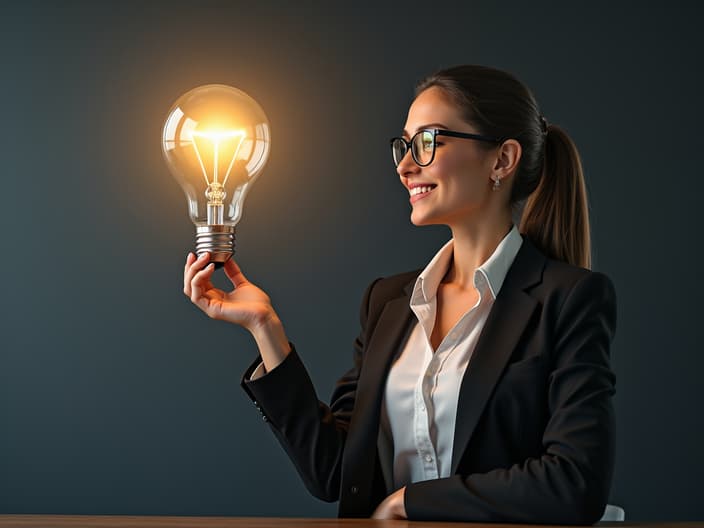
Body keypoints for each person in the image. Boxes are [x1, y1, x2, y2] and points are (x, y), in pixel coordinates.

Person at [182, 64, 617, 524]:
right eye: (405, 146)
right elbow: (335, 473)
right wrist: (265, 329)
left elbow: (575, 482)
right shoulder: (388, 302)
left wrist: (411, 502)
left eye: (429, 142)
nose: (407, 166)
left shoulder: (568, 299)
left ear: (502, 160)